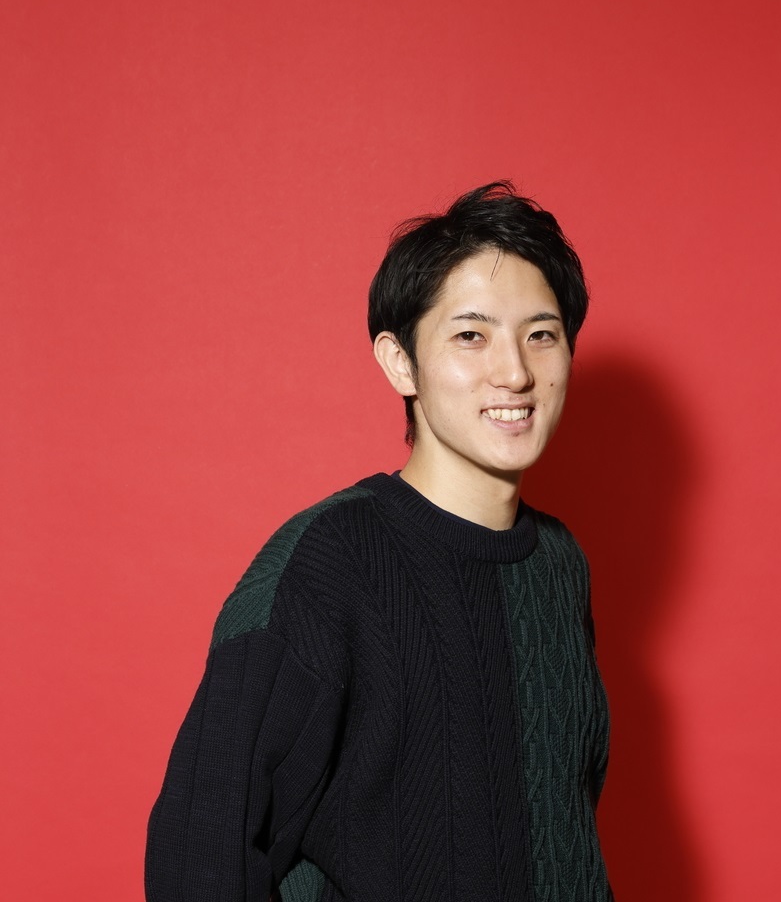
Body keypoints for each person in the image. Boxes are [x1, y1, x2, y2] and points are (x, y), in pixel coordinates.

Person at [145, 182, 614, 902]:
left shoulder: (558, 563)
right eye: (471, 335)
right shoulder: (329, 563)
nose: (516, 372)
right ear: (400, 362)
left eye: (541, 335)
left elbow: (561, 825)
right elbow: (201, 846)